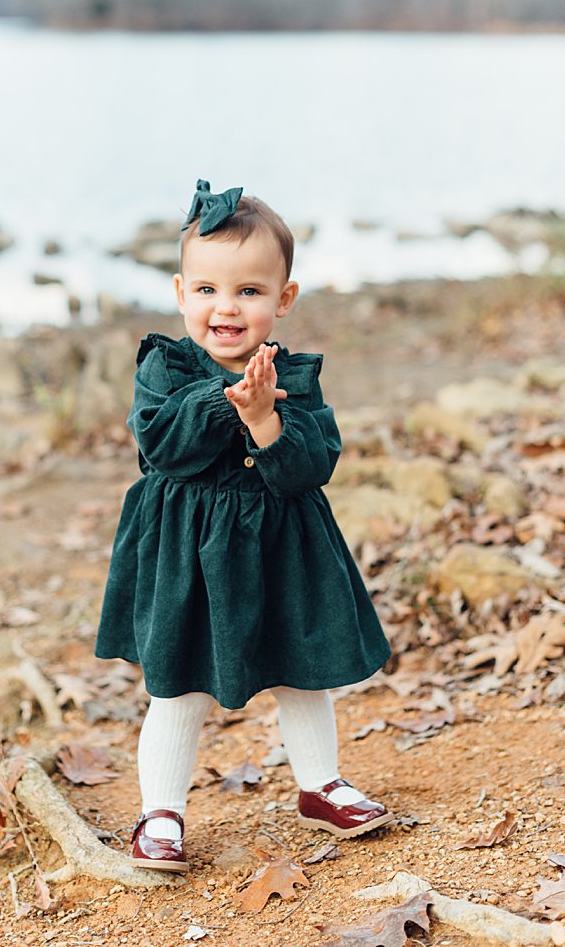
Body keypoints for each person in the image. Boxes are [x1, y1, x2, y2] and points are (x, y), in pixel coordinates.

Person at [95, 180, 394, 874]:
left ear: (283, 298)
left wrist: (266, 418)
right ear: (180, 292)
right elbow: (162, 445)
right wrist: (227, 400)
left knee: (302, 669)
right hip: (189, 552)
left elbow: (311, 465)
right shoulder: (164, 368)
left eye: (249, 292)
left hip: (280, 545)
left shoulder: (295, 377)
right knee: (180, 681)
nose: (226, 307)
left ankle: (321, 784)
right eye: (206, 290)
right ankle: (162, 810)